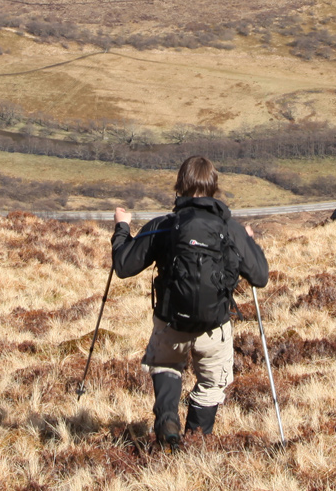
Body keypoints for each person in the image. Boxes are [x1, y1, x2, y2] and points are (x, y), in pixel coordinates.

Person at [111, 156, 269, 447]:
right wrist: (250, 240)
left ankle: (168, 421)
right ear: (213, 188)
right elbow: (260, 276)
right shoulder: (231, 230)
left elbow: (123, 266)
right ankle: (196, 440)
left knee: (167, 366)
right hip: (214, 328)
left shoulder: (164, 226)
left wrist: (122, 228)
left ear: (180, 186)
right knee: (211, 384)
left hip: (171, 324)